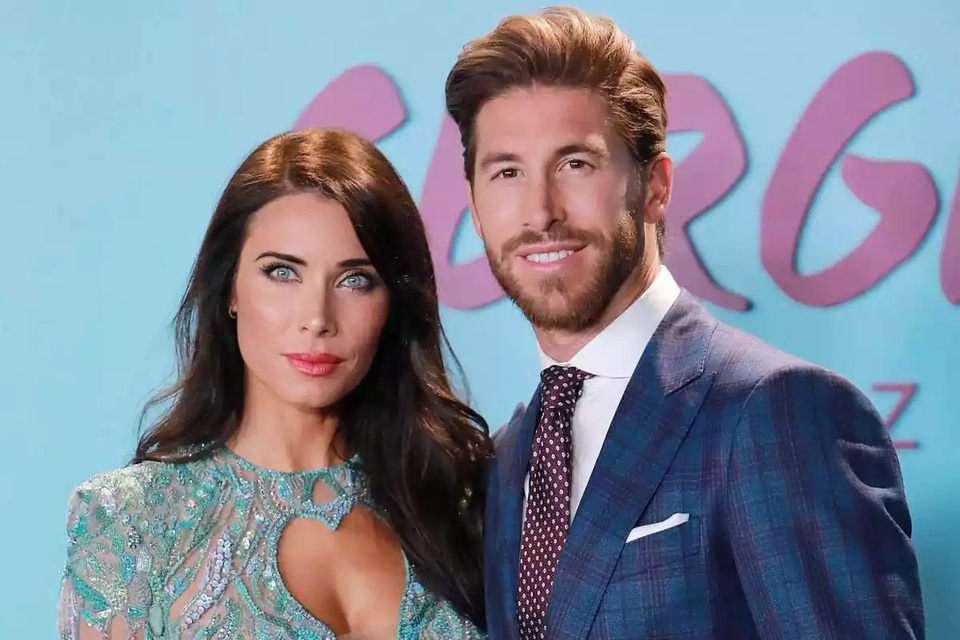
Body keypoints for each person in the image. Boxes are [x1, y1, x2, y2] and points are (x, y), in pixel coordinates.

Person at [444, 6, 924, 639]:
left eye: (575, 164)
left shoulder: (775, 409)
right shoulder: (507, 459)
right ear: (475, 207)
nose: (540, 212)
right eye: (507, 172)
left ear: (655, 186)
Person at [56, 128, 491, 639]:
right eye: (283, 273)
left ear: (392, 304)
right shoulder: (132, 522)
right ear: (229, 290)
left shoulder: (462, 498)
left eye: (355, 280)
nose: (317, 318)